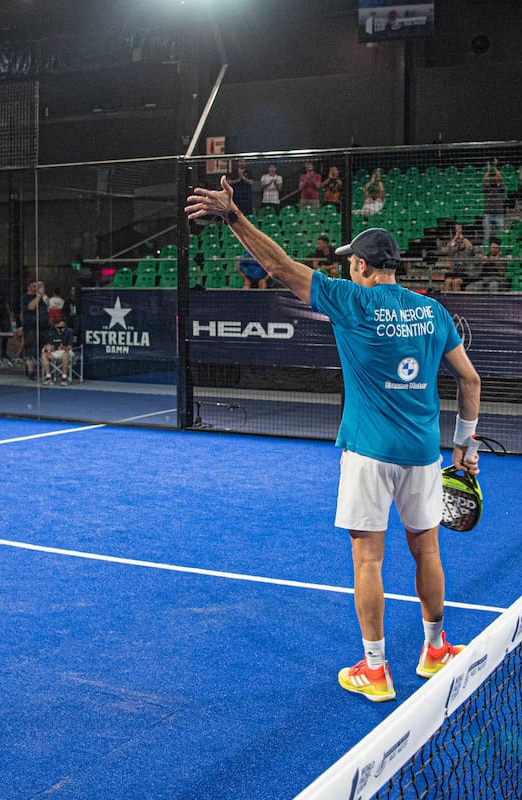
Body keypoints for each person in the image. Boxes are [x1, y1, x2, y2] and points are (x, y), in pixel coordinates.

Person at [185, 177, 482, 703]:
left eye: (351, 261)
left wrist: (233, 217)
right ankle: (435, 650)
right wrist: (466, 445)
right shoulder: (433, 311)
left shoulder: (351, 302)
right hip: (422, 455)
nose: (347, 266)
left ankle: (375, 669)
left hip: (368, 455)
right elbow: (471, 380)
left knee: (369, 561)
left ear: (364, 267)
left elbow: (277, 267)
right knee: (427, 550)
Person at [481, 159, 507, 248]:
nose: (493, 178)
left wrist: (495, 167)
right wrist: (488, 170)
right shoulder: (487, 189)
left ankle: (501, 252)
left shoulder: (500, 189)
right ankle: (485, 253)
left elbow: (500, 179)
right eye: (491, 177)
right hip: (488, 214)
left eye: (494, 177)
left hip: (499, 215)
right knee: (487, 236)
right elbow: (484, 181)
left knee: (501, 235)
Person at [41, 318, 75, 385]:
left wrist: (63, 348)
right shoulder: (52, 332)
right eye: (59, 326)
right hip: (55, 352)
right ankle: (48, 377)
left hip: (67, 351)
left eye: (63, 325)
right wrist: (48, 348)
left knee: (65, 355)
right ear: (56, 326)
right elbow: (50, 345)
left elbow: (70, 347)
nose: (61, 327)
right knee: (43, 355)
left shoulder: (69, 331)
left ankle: (64, 378)